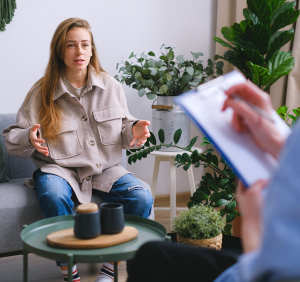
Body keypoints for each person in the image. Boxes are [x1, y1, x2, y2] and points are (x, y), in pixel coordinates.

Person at [3, 18, 153, 282]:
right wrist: (29, 137)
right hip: (58, 170)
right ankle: (69, 270)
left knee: (141, 197)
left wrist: (136, 130)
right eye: (71, 45)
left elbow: (125, 127)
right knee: (52, 194)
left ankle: (109, 269)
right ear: (60, 51)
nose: (79, 51)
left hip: (104, 170)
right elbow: (11, 138)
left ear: (92, 49)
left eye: (85, 44)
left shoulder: (111, 86)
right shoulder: (41, 92)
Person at [127, 80, 299, 282]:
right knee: (151, 255)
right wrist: (278, 142)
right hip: (266, 261)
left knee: (150, 258)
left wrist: (253, 225)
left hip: (261, 269)